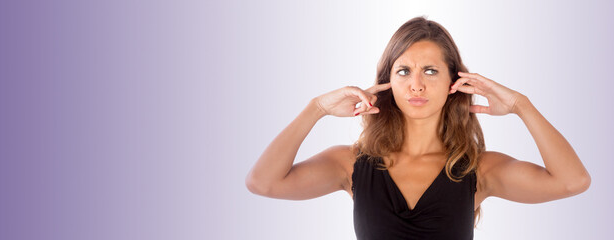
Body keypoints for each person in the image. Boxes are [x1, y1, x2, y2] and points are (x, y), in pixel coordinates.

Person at [245, 16, 591, 239]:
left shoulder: (476, 169)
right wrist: (315, 108)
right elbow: (263, 183)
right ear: (388, 83)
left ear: (454, 81)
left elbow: (572, 181)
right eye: (403, 71)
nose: (416, 85)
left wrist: (521, 106)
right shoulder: (351, 164)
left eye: (430, 70)